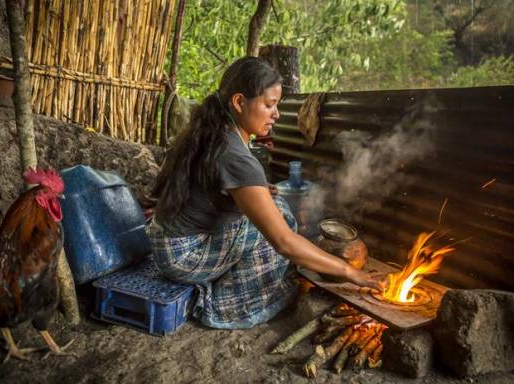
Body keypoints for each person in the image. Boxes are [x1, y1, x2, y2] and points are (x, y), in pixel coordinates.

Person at [147, 56, 380, 329]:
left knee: (276, 207)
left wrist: (256, 193)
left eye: (277, 105)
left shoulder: (216, 132)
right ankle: (225, 306)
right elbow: (284, 242)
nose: (277, 114)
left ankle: (228, 278)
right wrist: (348, 271)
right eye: (269, 105)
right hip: (183, 258)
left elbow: (210, 187)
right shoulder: (234, 154)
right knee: (275, 232)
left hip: (165, 241)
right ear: (238, 102)